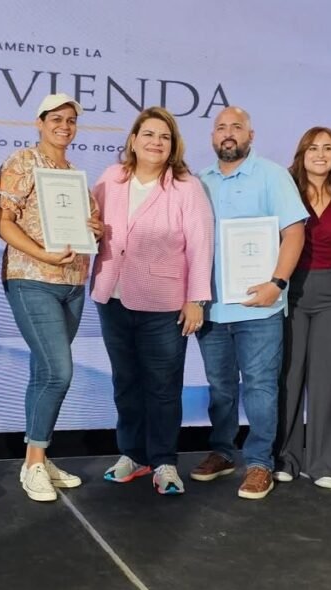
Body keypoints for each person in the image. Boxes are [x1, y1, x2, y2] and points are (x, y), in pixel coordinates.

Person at [92, 106, 214, 496]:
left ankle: (163, 461)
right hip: (112, 297)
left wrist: (196, 299)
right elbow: (88, 222)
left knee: (163, 387)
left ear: (173, 145)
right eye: (148, 134)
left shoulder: (186, 187)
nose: (156, 142)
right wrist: (87, 229)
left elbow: (200, 244)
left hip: (164, 303)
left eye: (164, 137)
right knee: (125, 383)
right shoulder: (111, 178)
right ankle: (133, 455)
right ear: (133, 140)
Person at [188, 107, 307, 500]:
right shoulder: (199, 182)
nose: (228, 133)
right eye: (221, 127)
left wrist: (277, 283)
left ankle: (259, 463)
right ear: (212, 137)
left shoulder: (272, 175)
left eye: (236, 127)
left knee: (259, 386)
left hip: (260, 306)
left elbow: (294, 233)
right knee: (220, 388)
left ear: (250, 135)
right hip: (212, 307)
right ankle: (222, 452)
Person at [0, 93, 103, 502]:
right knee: (59, 371)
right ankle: (34, 464)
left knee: (45, 372)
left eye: (71, 120)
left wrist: (96, 229)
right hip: (32, 279)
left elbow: (86, 228)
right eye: (56, 119)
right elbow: (1, 221)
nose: (64, 126)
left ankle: (37, 457)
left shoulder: (73, 174)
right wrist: (42, 254)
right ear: (39, 122)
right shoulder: (23, 162)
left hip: (72, 284)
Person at [277, 126, 331, 489]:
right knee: (289, 377)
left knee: (329, 379)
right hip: (291, 291)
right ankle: (285, 458)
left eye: (328, 148)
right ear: (302, 153)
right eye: (313, 148)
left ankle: (325, 463)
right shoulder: (285, 190)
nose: (321, 154)